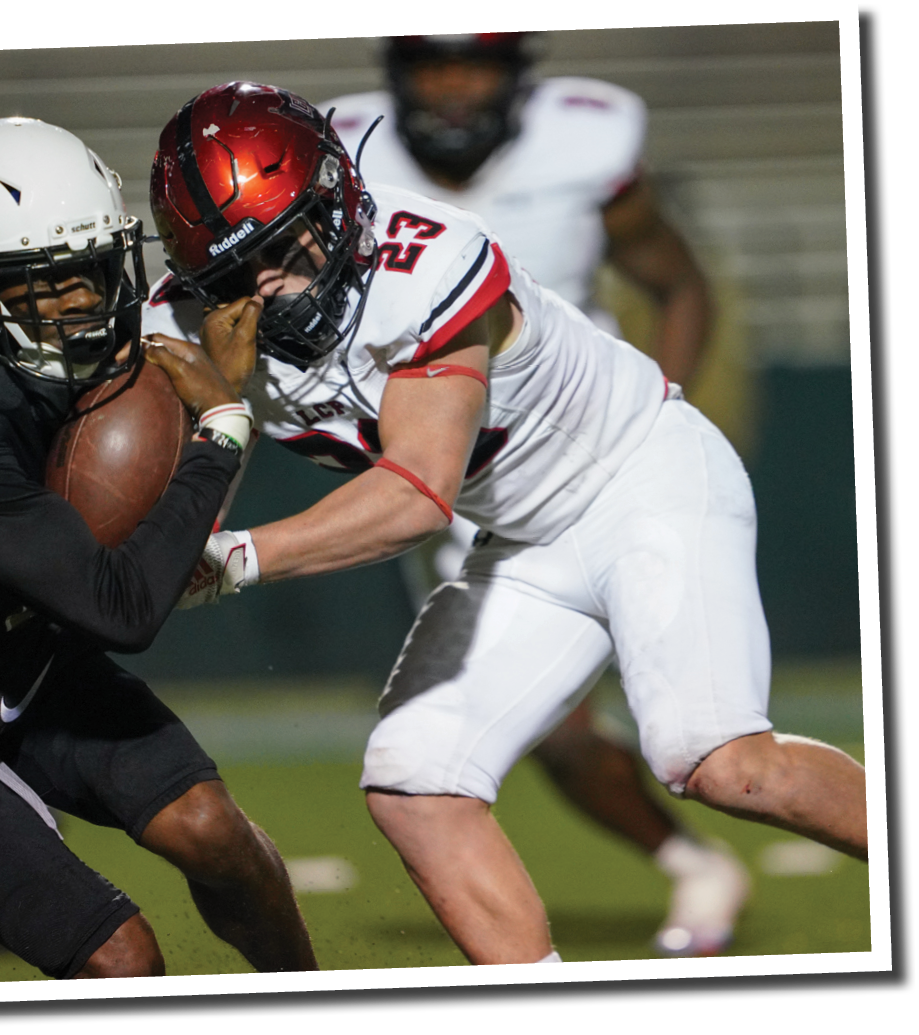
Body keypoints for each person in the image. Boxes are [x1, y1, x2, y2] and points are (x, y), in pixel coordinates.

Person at [144, 81, 868, 967]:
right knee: (416, 782)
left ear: (338, 202)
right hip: (523, 540)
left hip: (640, 476)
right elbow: (177, 507)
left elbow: (415, 492)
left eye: (286, 245)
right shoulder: (182, 320)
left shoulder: (427, 265)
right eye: (233, 271)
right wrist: (217, 420)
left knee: (721, 761)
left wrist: (234, 558)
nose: (272, 289)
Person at [0, 116, 317, 979]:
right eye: (36, 288)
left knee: (215, 832)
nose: (76, 307)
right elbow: (118, 609)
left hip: (12, 646)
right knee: (119, 958)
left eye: (89, 275)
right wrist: (223, 421)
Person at [318, 34, 744, 957]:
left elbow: (678, 282)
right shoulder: (342, 155)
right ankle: (690, 862)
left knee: (711, 741)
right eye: (432, 64)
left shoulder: (585, 141)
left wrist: (658, 416)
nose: (453, 87)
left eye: (472, 63)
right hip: (460, 472)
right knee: (549, 727)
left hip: (600, 442)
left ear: (516, 75)